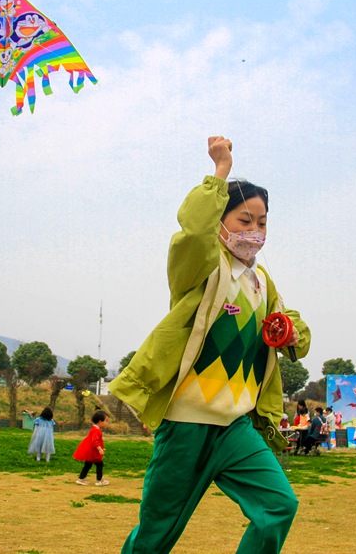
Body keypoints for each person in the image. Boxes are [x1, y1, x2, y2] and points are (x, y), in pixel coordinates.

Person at [107, 136, 310, 554]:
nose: (255, 231)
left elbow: (295, 334)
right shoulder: (202, 269)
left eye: (262, 222)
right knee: (156, 533)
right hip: (186, 425)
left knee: (278, 505)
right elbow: (193, 230)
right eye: (244, 220)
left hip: (235, 427)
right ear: (221, 221)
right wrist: (220, 172)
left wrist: (289, 331)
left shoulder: (262, 284)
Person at [73, 410, 109, 486]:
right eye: (106, 421)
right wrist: (100, 449)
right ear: (100, 421)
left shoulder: (94, 428)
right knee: (99, 464)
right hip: (93, 452)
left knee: (88, 465)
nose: (107, 423)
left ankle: (81, 479)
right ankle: (99, 480)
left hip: (90, 451)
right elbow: (94, 441)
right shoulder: (97, 430)